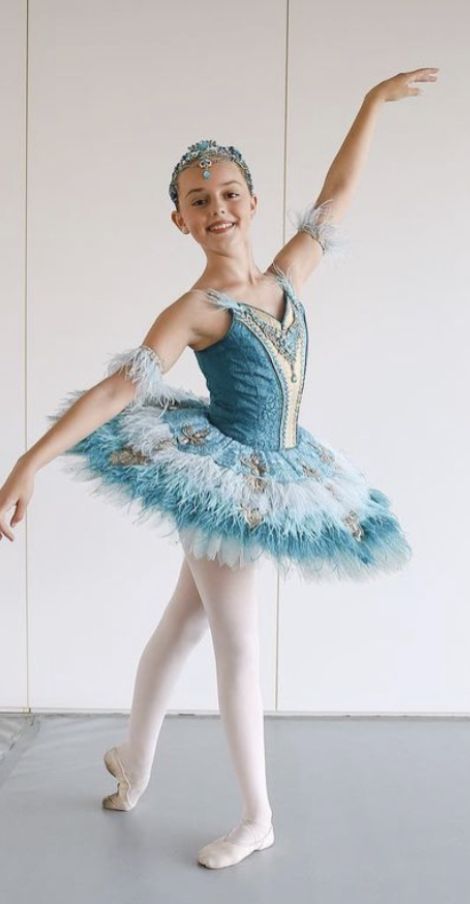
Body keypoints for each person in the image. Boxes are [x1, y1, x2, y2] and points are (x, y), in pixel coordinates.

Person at [0, 68, 438, 869]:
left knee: (185, 622)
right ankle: (257, 817)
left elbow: (337, 195)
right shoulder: (196, 310)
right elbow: (117, 386)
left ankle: (133, 765)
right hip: (223, 481)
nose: (219, 208)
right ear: (180, 220)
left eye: (230, 192)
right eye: (199, 200)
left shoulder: (288, 276)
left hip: (283, 466)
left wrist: (369, 103)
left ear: (253, 203)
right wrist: (30, 462)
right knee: (237, 642)